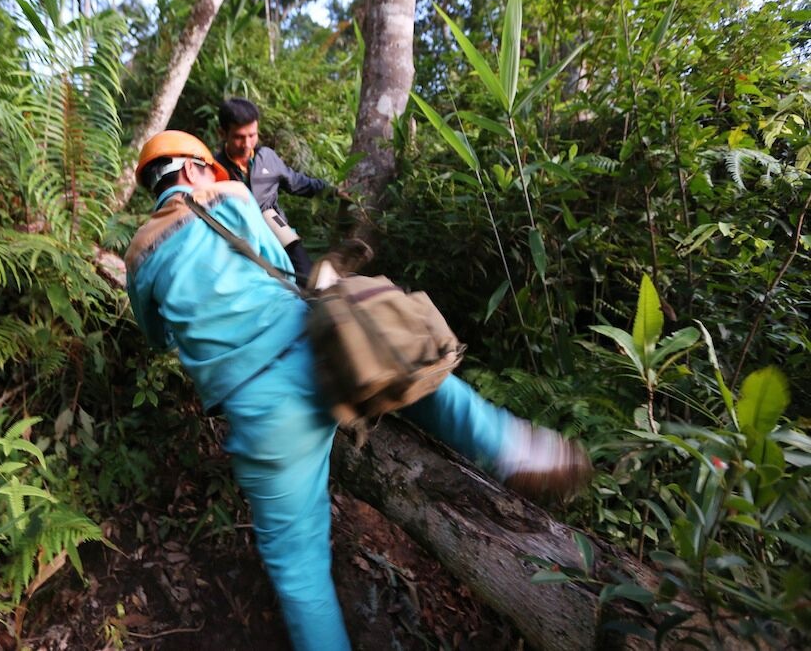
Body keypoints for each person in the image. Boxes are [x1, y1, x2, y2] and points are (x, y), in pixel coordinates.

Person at [125, 130, 592, 651]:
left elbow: (156, 335)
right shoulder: (230, 197)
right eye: (208, 168)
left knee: (299, 570)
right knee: (418, 379)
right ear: (191, 170)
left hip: (260, 410)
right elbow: (278, 266)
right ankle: (517, 448)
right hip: (317, 350)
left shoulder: (139, 253)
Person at [214, 97, 336, 286]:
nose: (247, 144)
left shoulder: (267, 158)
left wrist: (332, 192)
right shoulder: (213, 169)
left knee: (307, 277)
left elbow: (296, 182)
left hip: (273, 224)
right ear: (222, 133)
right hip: (236, 235)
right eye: (239, 137)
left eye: (252, 135)